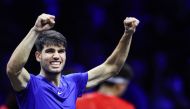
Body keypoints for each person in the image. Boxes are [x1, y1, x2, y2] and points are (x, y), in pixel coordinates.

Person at [6, 13, 139, 109]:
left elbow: (112, 67)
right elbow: (13, 69)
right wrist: (35, 31)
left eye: (61, 51)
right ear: (38, 56)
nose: (56, 56)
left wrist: (128, 34)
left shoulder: (73, 82)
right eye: (50, 51)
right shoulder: (30, 84)